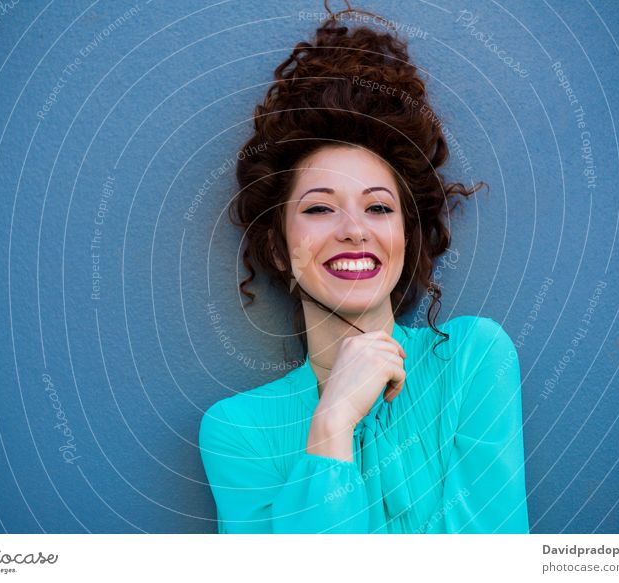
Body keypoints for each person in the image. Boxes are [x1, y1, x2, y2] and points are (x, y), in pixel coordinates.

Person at [198, 1, 529, 534]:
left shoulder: (471, 359)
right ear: (280, 249)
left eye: (378, 207)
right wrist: (330, 426)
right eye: (319, 208)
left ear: (404, 236)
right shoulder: (238, 432)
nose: (354, 229)